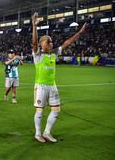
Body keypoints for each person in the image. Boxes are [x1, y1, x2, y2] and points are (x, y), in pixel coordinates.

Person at [31, 12, 88, 143]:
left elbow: (67, 43)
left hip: (52, 86)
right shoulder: (38, 55)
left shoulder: (54, 53)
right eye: (48, 42)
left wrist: (79, 32)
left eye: (51, 41)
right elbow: (34, 43)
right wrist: (34, 26)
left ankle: (47, 132)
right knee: (39, 111)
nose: (51, 43)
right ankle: (38, 133)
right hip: (40, 86)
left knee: (56, 110)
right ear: (42, 44)